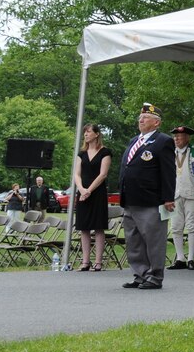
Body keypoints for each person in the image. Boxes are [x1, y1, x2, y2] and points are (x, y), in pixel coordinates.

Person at [119, 103, 176, 289]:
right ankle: (140, 274)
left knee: (153, 240)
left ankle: (155, 276)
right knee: (134, 240)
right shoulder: (134, 141)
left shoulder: (163, 141)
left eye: (145, 118)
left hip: (151, 200)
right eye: (140, 118)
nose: (141, 120)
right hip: (131, 199)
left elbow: (168, 172)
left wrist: (168, 197)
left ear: (156, 123)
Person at [168, 125, 194, 270]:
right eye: (175, 136)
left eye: (180, 136)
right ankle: (180, 258)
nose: (177, 139)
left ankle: (191, 258)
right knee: (175, 227)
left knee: (192, 226)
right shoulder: (169, 153)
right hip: (175, 194)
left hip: (192, 193)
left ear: (187, 138)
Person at [74, 123, 113, 271]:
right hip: (83, 192)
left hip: (97, 193)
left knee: (98, 227)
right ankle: (85, 261)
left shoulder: (105, 152)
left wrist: (89, 190)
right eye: (85, 132)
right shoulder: (81, 154)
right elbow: (77, 174)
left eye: (89, 132)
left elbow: (103, 174)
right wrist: (82, 189)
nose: (86, 134)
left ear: (97, 134)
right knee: (83, 227)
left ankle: (98, 262)